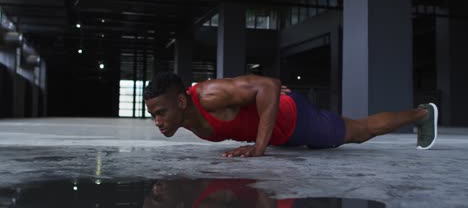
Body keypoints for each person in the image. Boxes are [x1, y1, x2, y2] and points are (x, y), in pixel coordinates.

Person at [143, 72, 438, 158]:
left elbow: (268, 86)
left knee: (359, 131)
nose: (158, 122)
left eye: (160, 113)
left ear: (182, 101)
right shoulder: (186, 113)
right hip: (280, 132)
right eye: (153, 115)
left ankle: (421, 115)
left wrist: (259, 147)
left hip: (293, 119)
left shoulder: (206, 95)